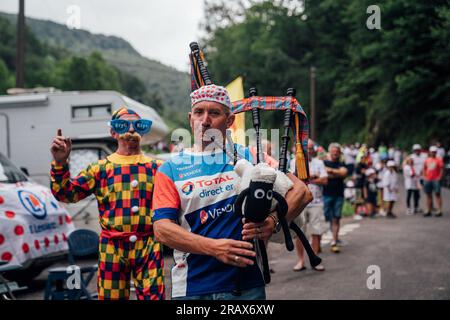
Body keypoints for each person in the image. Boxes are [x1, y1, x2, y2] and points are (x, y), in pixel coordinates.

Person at [151, 84, 312, 300]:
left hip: (246, 286)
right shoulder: (170, 169)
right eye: (199, 112)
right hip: (192, 288)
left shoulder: (252, 156)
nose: (205, 120)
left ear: (229, 121)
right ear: (190, 118)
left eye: (214, 113)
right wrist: (215, 248)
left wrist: (272, 222)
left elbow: (302, 192)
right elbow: (162, 230)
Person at [50, 107, 165, 300]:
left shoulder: (158, 168)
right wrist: (60, 163)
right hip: (112, 246)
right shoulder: (99, 169)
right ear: (113, 132)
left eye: (137, 125)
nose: (130, 130)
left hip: (149, 244)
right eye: (123, 125)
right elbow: (66, 194)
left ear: (143, 130)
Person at [293, 139, 328, 272]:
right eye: (306, 147)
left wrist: (308, 178)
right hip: (299, 202)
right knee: (299, 233)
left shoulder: (319, 162)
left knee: (316, 231)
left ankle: (315, 260)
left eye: (311, 147)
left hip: (316, 202)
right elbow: (291, 180)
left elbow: (325, 180)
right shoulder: (294, 161)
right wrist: (311, 178)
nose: (309, 149)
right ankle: (301, 261)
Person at [323, 143, 348, 253]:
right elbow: (322, 173)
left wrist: (330, 172)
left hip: (339, 195)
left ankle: (334, 240)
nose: (335, 153)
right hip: (325, 194)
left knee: (336, 218)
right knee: (325, 217)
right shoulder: (324, 162)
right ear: (329, 152)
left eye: (337, 152)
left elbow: (344, 173)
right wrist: (336, 173)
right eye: (333, 151)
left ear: (339, 153)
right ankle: (324, 238)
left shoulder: (342, 163)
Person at [423, 146, 444, 217]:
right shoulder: (427, 160)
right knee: (428, 195)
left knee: (437, 194)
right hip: (428, 179)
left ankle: (439, 210)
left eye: (434, 152)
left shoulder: (439, 159)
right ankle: (428, 210)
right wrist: (425, 176)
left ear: (436, 152)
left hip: (435, 179)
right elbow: (424, 168)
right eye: (432, 152)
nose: (433, 153)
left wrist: (439, 177)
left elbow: (441, 169)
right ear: (430, 152)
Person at [409, 144, 426, 213]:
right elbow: (410, 166)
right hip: (416, 177)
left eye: (418, 150)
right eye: (415, 150)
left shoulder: (424, 156)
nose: (417, 151)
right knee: (416, 193)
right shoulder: (411, 157)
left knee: (428, 192)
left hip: (424, 176)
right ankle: (416, 207)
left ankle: (430, 206)